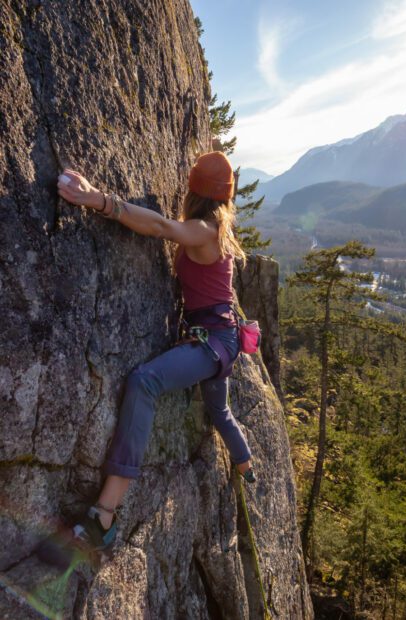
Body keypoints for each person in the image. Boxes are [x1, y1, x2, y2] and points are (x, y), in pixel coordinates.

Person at [44, 150, 255, 563]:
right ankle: (247, 465)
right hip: (221, 340)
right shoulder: (221, 231)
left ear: (194, 193)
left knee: (146, 382)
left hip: (213, 343)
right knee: (219, 412)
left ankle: (104, 517)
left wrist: (98, 200)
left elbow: (160, 226)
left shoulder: (204, 230)